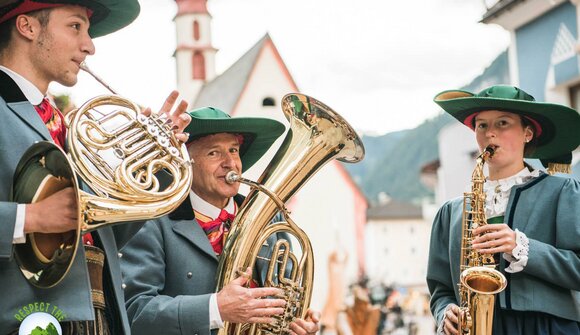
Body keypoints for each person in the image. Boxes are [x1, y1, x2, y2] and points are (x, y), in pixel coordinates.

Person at [0, 1, 191, 333]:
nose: (89, 46)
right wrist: (31, 218)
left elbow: (104, 231)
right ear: (27, 27)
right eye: (75, 27)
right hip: (21, 318)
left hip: (99, 314)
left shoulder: (61, 124)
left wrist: (153, 162)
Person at [120, 107, 322, 335]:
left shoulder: (270, 217)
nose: (230, 163)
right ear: (186, 163)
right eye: (214, 153)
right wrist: (215, 308)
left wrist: (296, 324)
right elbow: (135, 312)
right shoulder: (153, 221)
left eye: (234, 150)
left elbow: (280, 301)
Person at [427, 85, 580, 335]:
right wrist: (445, 312)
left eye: (503, 123)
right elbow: (440, 287)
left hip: (545, 328)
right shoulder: (450, 212)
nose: (490, 134)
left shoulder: (563, 192)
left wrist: (521, 246)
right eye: (482, 125)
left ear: (527, 133)